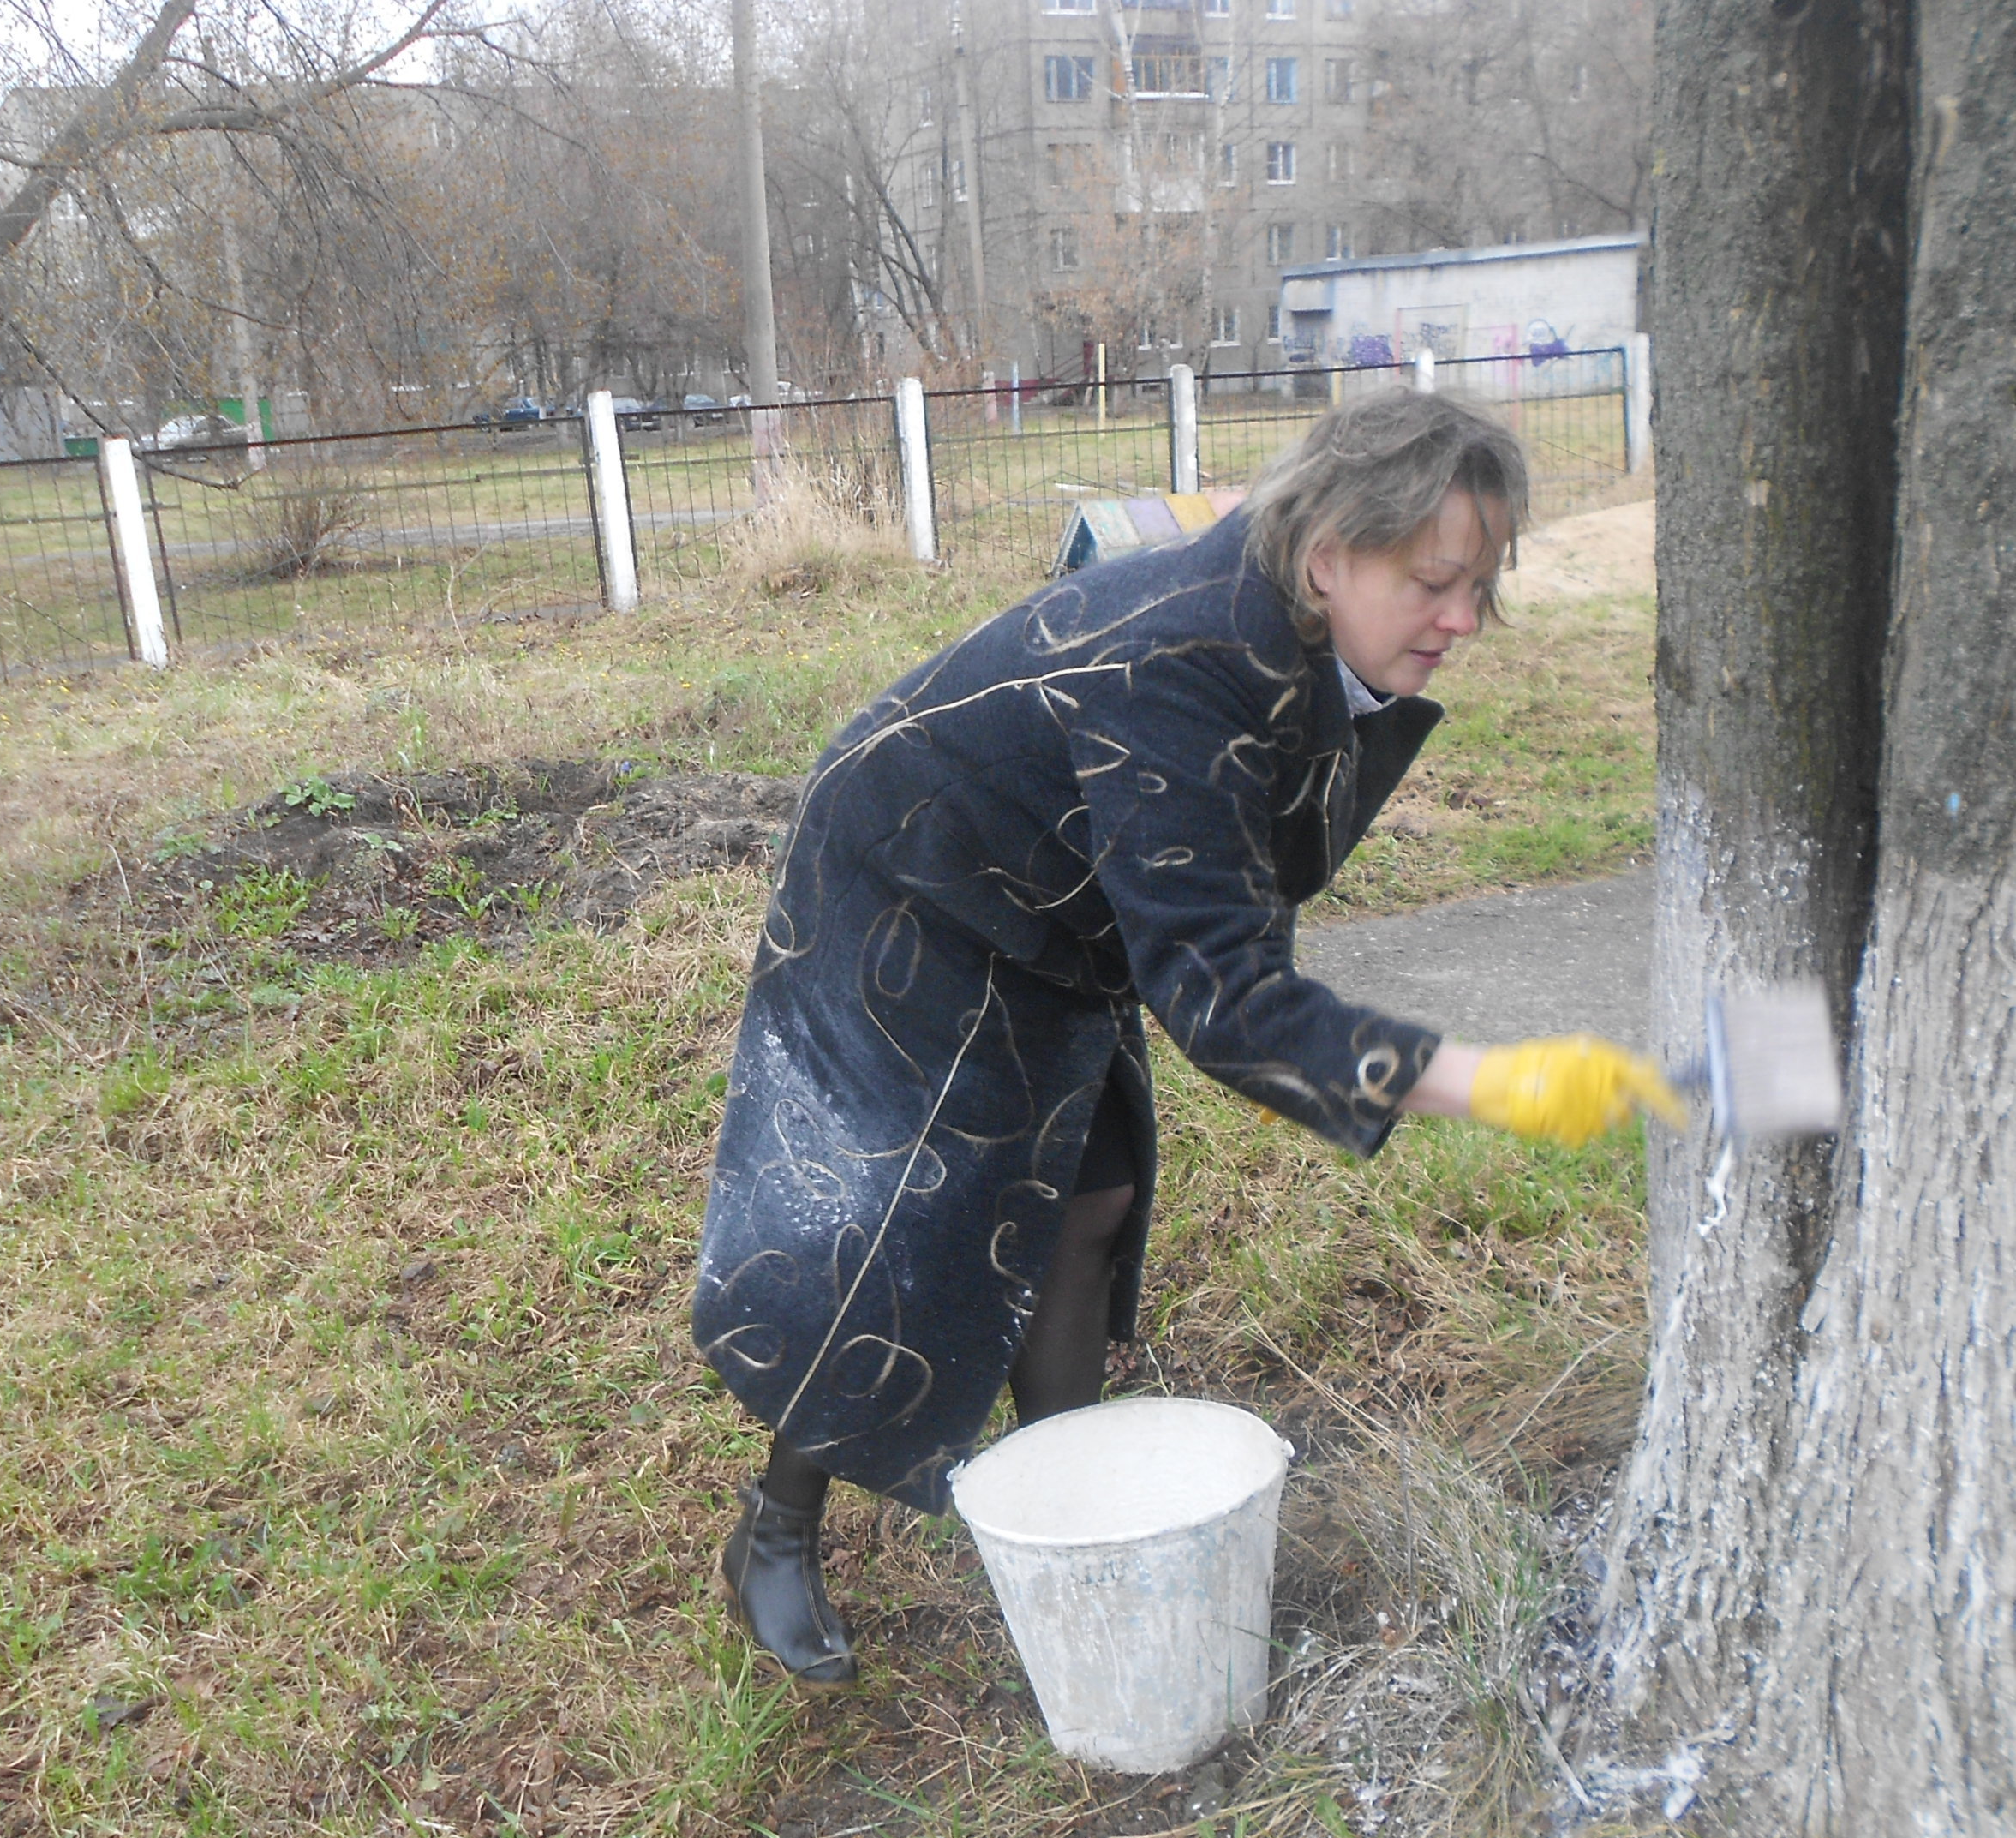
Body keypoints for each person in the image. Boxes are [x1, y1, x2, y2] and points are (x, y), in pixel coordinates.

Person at [691, 390, 1678, 1687]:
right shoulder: (1183, 674)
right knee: (899, 1218)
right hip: (915, 887)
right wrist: (1490, 1080)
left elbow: (1222, 892)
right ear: (1328, 554)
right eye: (1436, 583)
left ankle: (1067, 1510)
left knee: (1087, 1200)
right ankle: (775, 1528)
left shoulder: (1285, 611)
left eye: (1480, 587)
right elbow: (1225, 1001)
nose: (1461, 622)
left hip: (1057, 896)